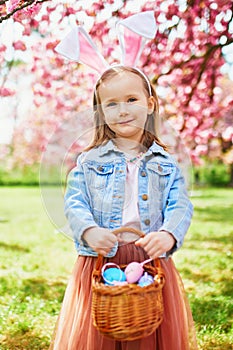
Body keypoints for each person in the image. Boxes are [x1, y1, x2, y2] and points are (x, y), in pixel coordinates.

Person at [49, 65, 198, 350]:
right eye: (112, 104)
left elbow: (180, 204)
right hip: (101, 258)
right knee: (101, 329)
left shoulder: (166, 163)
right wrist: (89, 230)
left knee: (146, 325)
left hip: (148, 259)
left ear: (150, 104)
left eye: (131, 100)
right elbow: (75, 200)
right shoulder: (89, 160)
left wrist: (169, 234)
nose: (122, 110)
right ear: (101, 112)